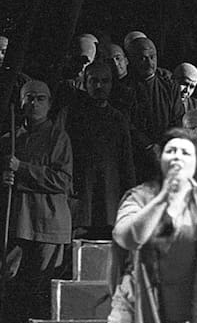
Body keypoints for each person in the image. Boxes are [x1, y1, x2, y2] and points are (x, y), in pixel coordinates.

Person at [107, 128, 197, 323]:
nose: (177, 157)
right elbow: (127, 237)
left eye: (185, 152)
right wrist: (163, 198)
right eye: (171, 151)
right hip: (137, 303)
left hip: (187, 305)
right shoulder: (140, 196)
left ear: (196, 162)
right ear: (160, 158)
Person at [0, 80, 73, 323]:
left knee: (41, 295)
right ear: (21, 102)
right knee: (11, 289)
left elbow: (62, 181)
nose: (34, 103)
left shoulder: (58, 137)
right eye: (29, 97)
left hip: (48, 227)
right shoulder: (9, 140)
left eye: (41, 98)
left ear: (49, 104)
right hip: (18, 225)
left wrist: (22, 169)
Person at [63, 61, 136, 239]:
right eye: (93, 80)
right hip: (81, 198)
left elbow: (126, 161)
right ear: (85, 83)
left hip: (110, 199)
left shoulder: (118, 118)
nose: (98, 86)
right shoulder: (73, 117)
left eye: (105, 81)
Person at [125, 37, 184, 181]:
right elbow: (127, 123)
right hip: (137, 157)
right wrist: (149, 146)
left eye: (152, 57)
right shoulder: (124, 88)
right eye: (143, 58)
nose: (150, 63)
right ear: (132, 60)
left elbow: (177, 118)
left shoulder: (169, 86)